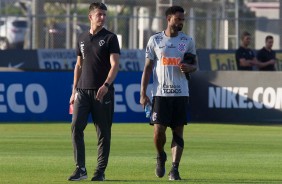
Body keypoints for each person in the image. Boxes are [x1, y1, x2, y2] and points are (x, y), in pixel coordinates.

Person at [140, 6, 197, 181]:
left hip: (180, 93)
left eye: (183, 19)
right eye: (178, 19)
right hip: (160, 93)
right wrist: (143, 92)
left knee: (178, 132)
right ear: (169, 19)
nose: (181, 22)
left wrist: (189, 67)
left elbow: (194, 65)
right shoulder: (155, 40)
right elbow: (148, 68)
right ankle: (160, 156)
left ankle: (175, 169)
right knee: (158, 131)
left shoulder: (187, 41)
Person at [68, 2, 120, 181]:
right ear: (90, 17)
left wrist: (106, 85)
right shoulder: (81, 37)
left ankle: (100, 171)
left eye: (105, 14)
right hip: (82, 91)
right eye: (99, 14)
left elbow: (115, 65)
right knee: (76, 127)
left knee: (103, 133)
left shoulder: (111, 38)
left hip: (102, 93)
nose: (103, 17)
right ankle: (80, 169)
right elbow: (79, 65)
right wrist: (74, 90)